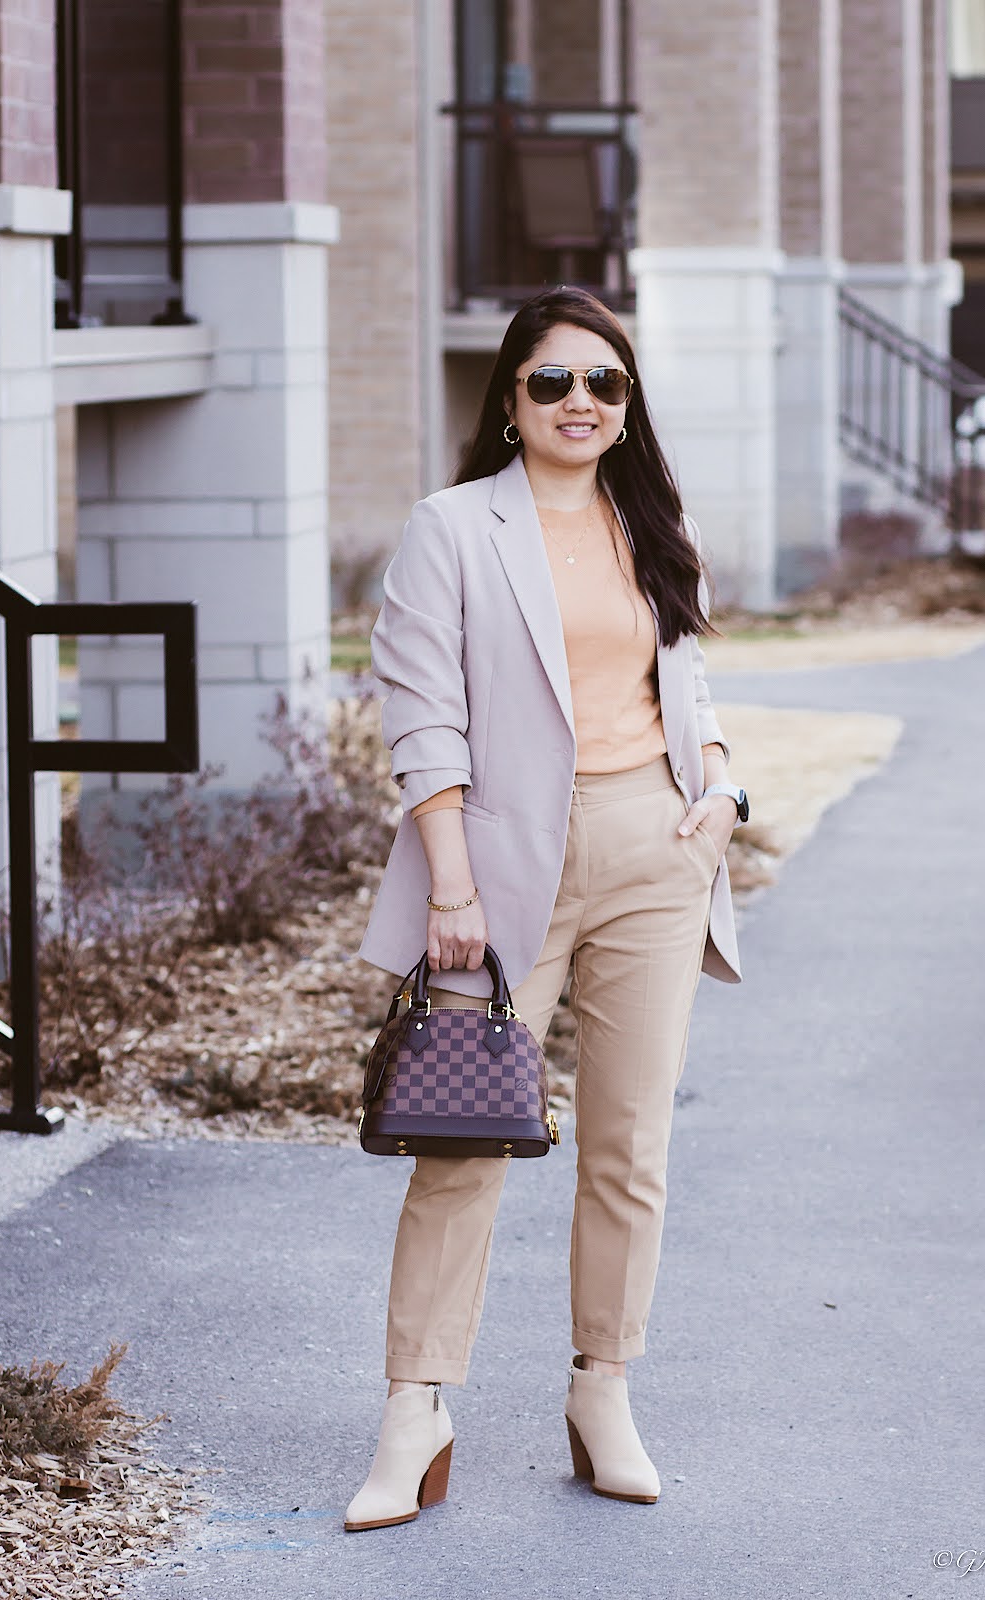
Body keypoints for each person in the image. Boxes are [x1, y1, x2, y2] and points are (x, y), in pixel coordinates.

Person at [345, 286, 747, 1531]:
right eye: (551, 382)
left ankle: (602, 1387)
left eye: (604, 384)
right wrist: (449, 886)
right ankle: (415, 1410)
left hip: (654, 849)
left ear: (626, 409)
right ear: (509, 400)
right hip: (498, 866)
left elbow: (683, 677)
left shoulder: (650, 519)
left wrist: (723, 785)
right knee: (461, 1138)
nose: (579, 402)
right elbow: (421, 718)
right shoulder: (452, 526)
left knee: (629, 1146)